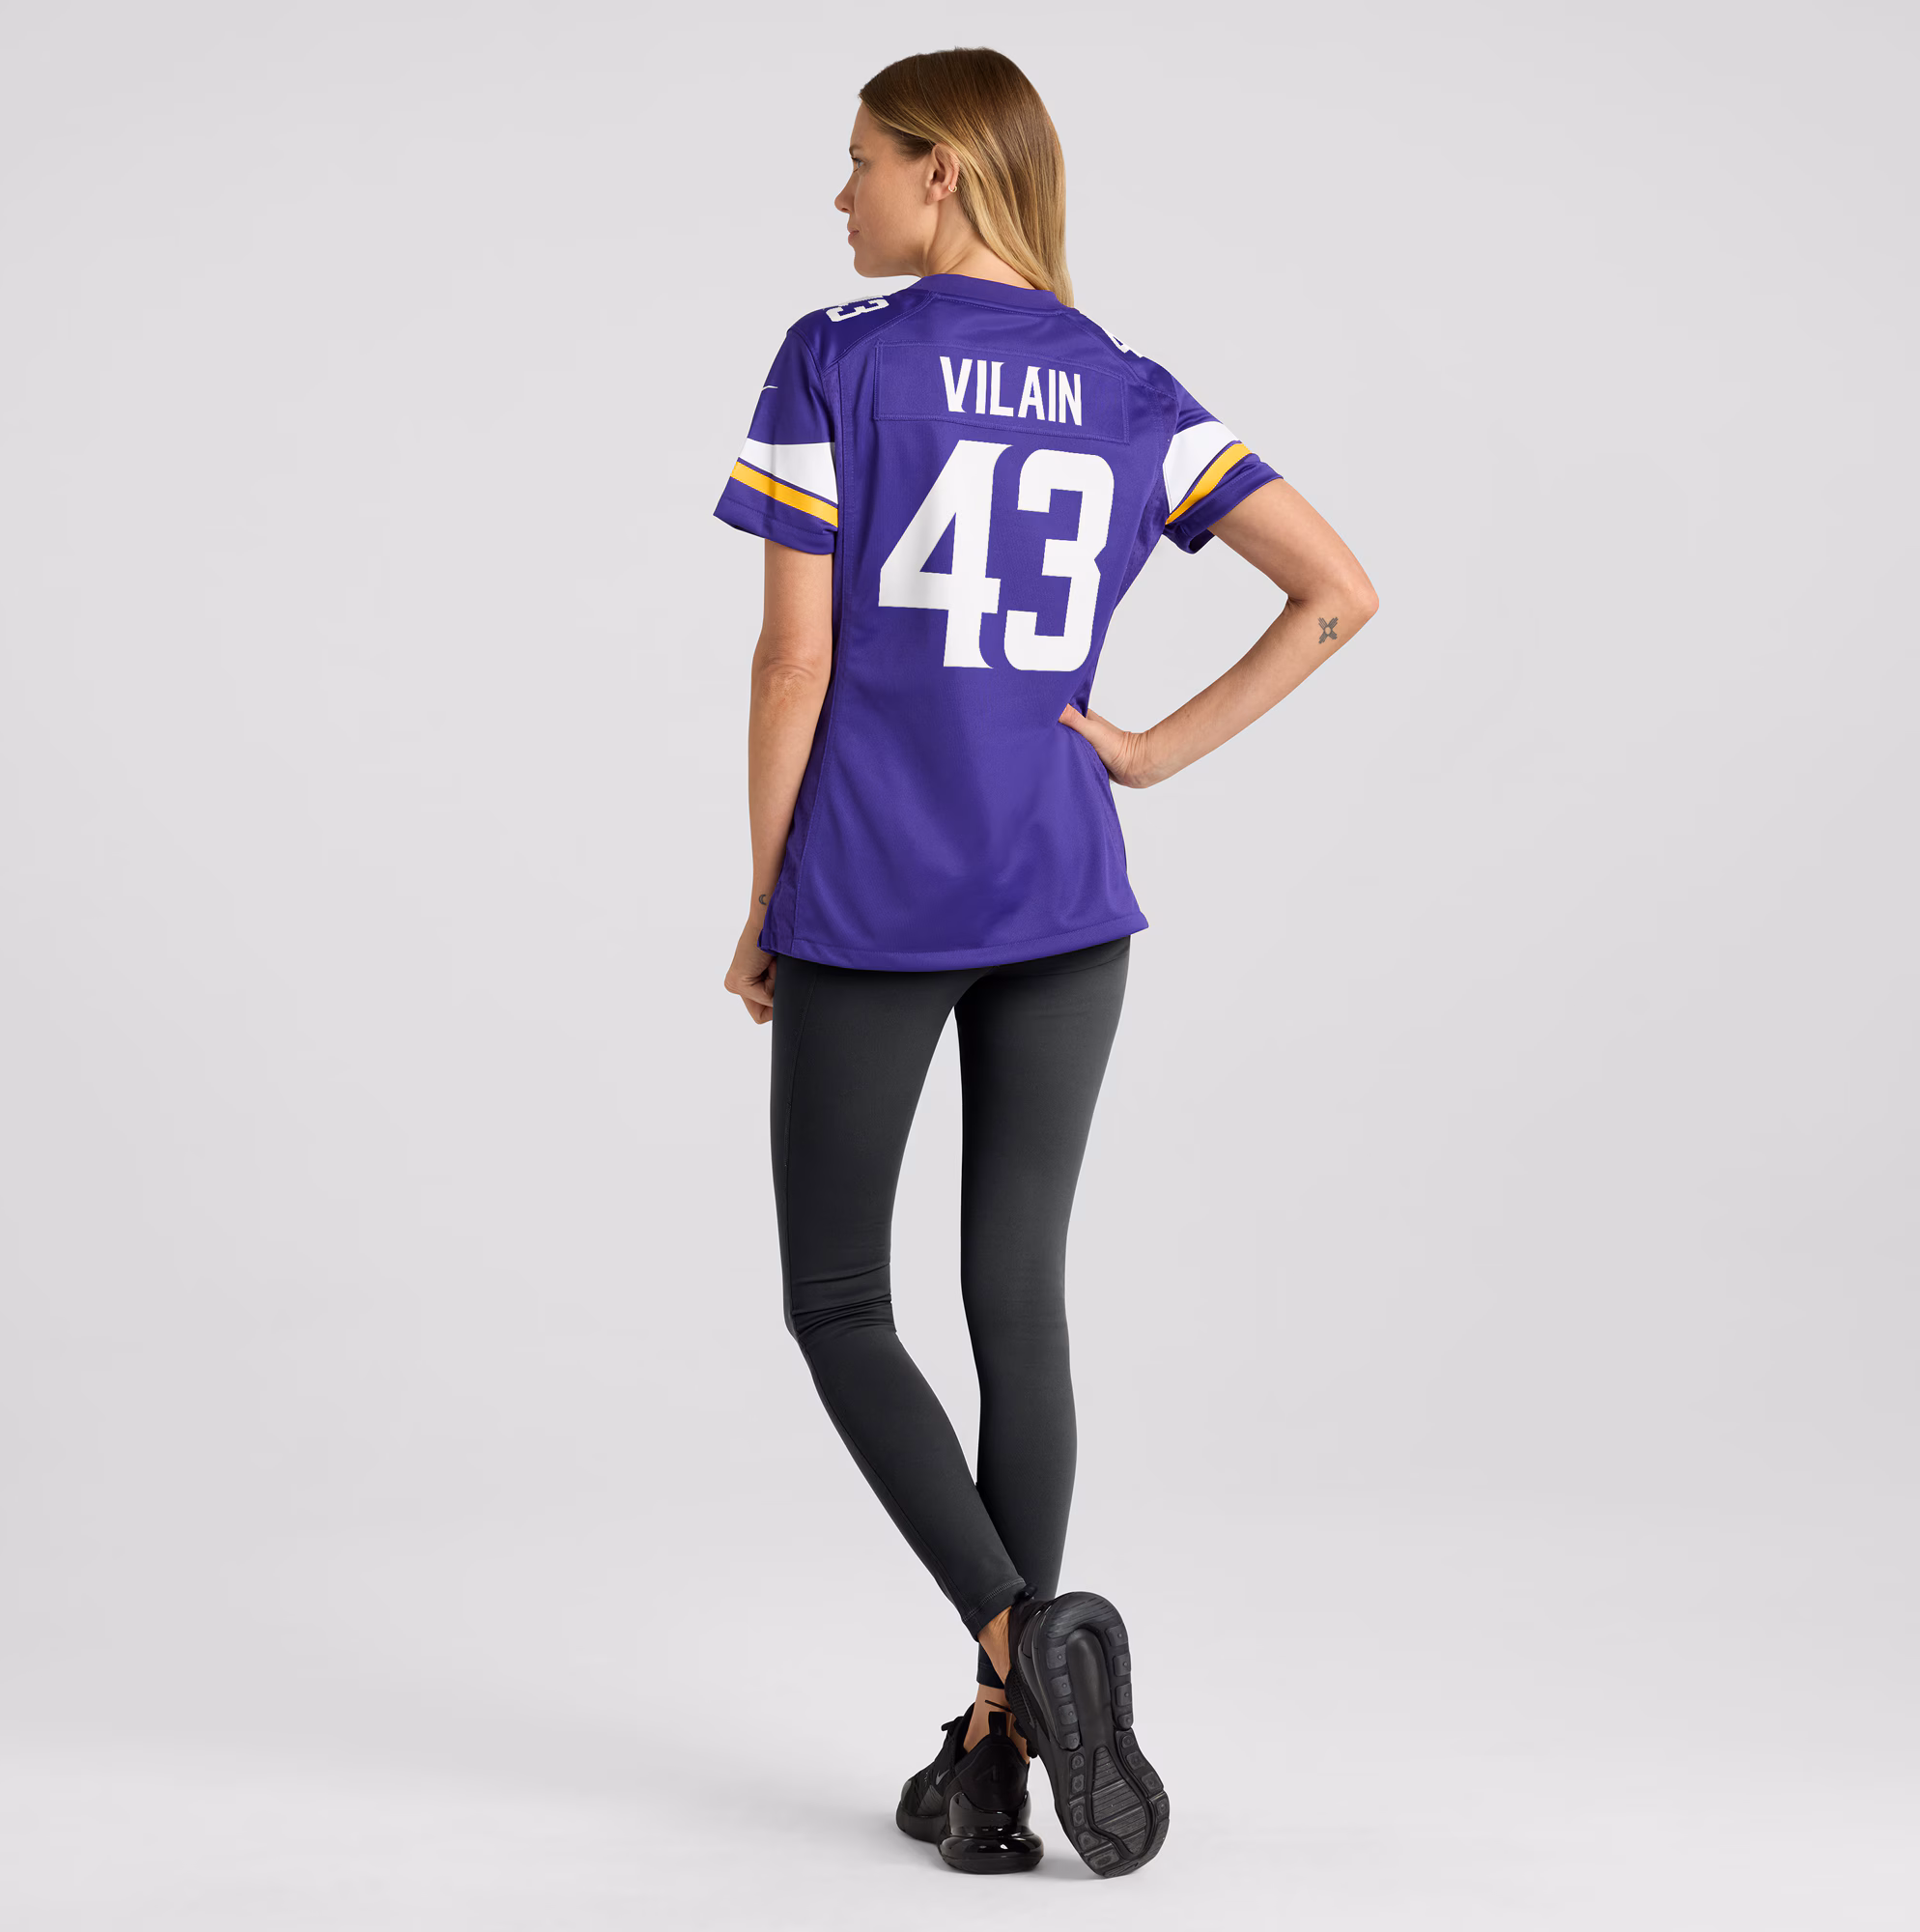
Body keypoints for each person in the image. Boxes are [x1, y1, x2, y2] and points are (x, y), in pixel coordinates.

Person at [716, 46, 1377, 1880]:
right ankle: (998, 1759)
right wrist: (1146, 754)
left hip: (873, 891)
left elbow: (792, 662)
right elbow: (1337, 590)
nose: (840, 195)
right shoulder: (1128, 389)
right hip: (1067, 898)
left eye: (860, 160)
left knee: (839, 1305)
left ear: (942, 170)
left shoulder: (834, 361)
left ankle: (1018, 1654)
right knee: (1019, 1301)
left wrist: (765, 893)